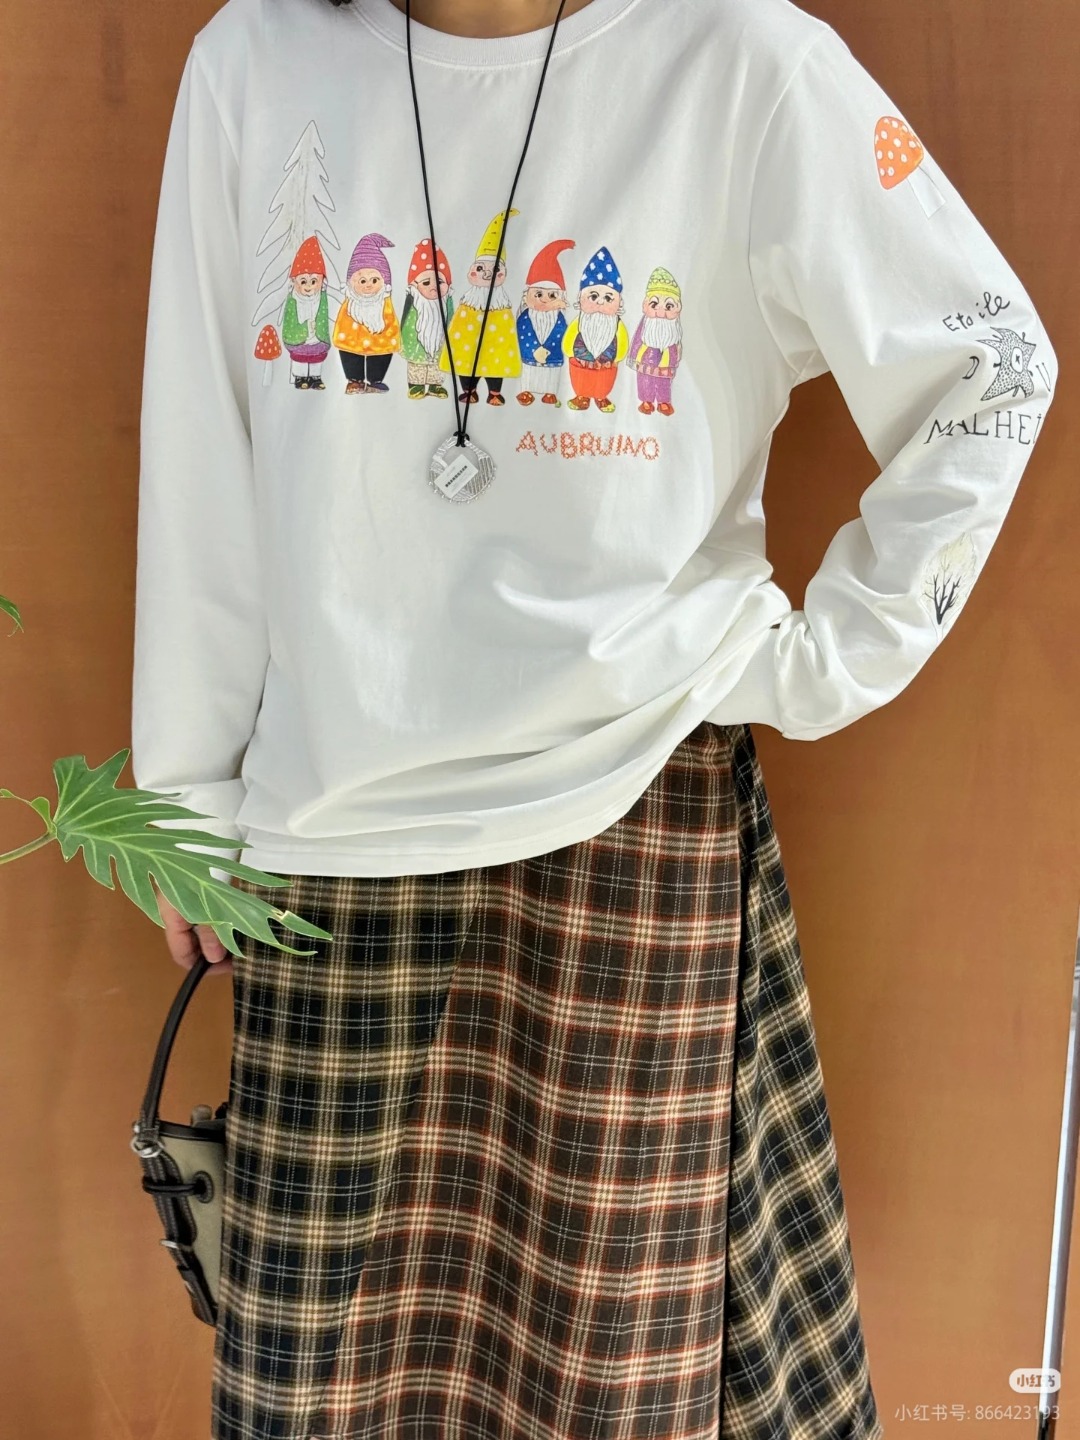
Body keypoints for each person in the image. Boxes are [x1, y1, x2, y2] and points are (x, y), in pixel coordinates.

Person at [131, 0, 1056, 1437]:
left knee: (607, 1389)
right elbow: (205, 447)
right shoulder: (256, 61)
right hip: (331, 855)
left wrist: (823, 667)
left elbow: (990, 364)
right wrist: (184, 801)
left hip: (631, 831)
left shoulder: (744, 62)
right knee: (324, 1394)